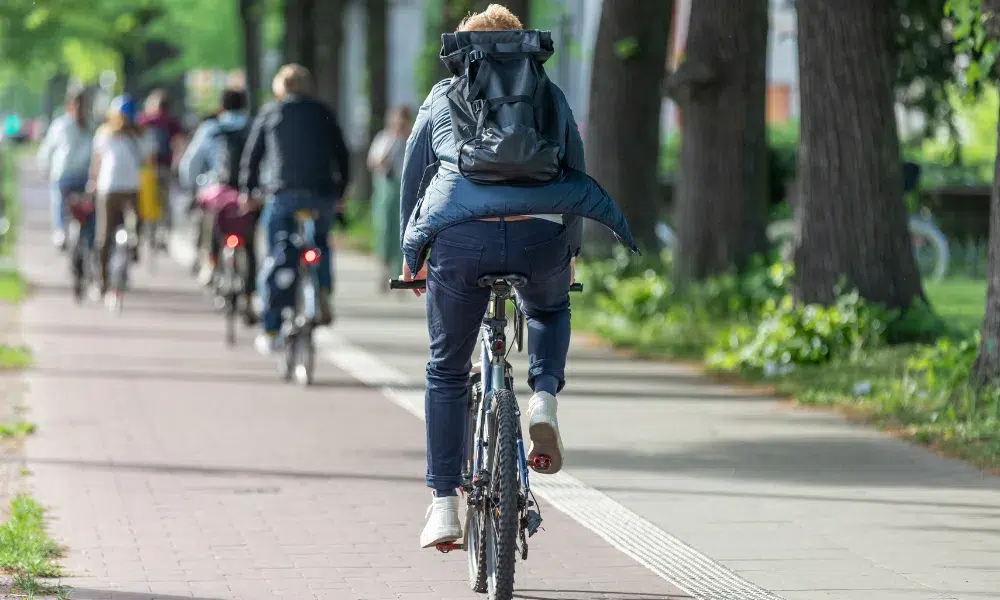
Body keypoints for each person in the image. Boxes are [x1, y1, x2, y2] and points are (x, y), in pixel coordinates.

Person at [398, 4, 636, 548]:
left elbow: (415, 174)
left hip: (461, 235)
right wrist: (568, 246)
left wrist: (411, 255)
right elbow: (574, 164)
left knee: (446, 371)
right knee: (550, 306)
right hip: (540, 235)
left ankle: (442, 506)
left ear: (465, 50)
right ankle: (544, 397)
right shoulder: (546, 93)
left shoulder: (443, 94)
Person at [240, 64, 351, 356]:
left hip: (283, 194)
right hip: (321, 196)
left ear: (280, 88)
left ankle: (272, 326)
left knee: (278, 252)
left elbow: (253, 156)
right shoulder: (323, 112)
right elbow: (341, 152)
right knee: (320, 243)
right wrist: (339, 192)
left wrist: (248, 191)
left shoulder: (270, 112)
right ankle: (322, 290)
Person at [179, 89, 255, 306]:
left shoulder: (210, 128)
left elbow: (191, 163)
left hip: (216, 190)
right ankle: (249, 297)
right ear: (244, 106)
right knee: (249, 243)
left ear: (222, 107)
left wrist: (192, 187)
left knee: (212, 226)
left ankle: (211, 263)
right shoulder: (252, 127)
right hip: (244, 194)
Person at [89, 95, 148, 304]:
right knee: (108, 236)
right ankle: (104, 280)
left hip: (116, 189)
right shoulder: (112, 134)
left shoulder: (113, 134)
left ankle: (104, 280)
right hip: (118, 189)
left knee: (107, 236)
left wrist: (93, 182)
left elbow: (97, 162)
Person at [36, 92, 92, 249]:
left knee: (58, 201)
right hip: (84, 176)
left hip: (64, 174)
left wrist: (44, 168)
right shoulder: (90, 125)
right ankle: (88, 237)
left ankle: (60, 231)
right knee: (88, 207)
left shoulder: (60, 124)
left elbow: (47, 148)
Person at [367, 106, 413, 293]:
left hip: (407, 191)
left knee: (404, 234)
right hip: (386, 191)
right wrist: (394, 140)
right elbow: (374, 162)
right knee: (385, 231)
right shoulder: (385, 138)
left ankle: (401, 273)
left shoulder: (413, 138)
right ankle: (384, 271)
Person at [137, 89, 182, 246]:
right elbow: (178, 144)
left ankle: (148, 232)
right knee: (165, 201)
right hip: (165, 166)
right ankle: (163, 233)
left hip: (147, 169)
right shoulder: (172, 122)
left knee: (147, 200)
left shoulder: (144, 120)